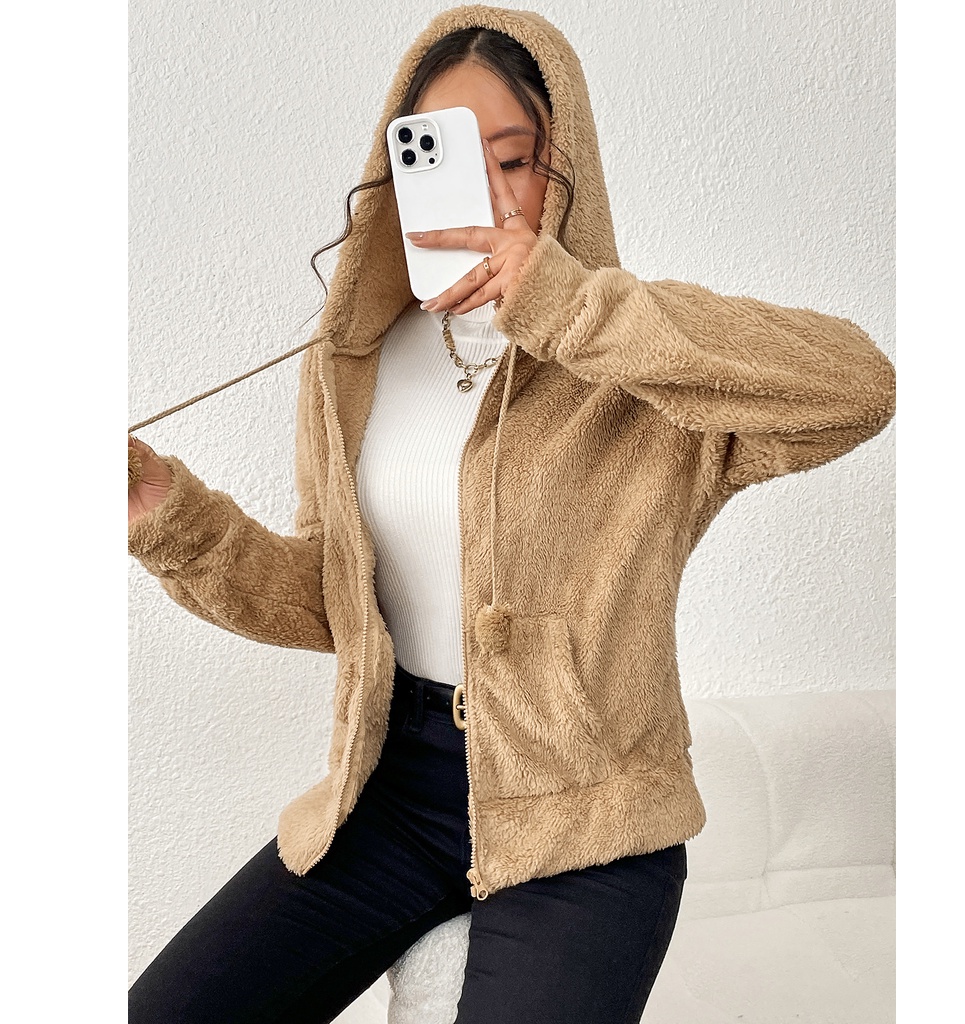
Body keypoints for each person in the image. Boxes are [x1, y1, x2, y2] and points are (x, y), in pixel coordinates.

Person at [127, 6, 896, 1023]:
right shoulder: (352, 362)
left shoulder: (642, 358)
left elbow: (858, 388)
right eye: (442, 158)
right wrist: (173, 519)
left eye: (515, 158)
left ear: (566, 165)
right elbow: (333, 601)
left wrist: (573, 306)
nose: (487, 193)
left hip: (586, 819)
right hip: (390, 791)